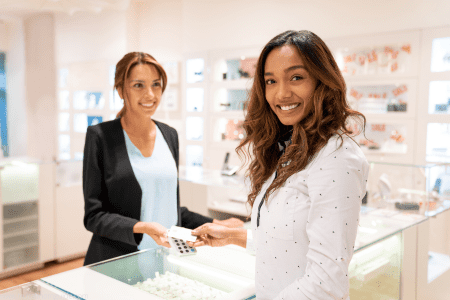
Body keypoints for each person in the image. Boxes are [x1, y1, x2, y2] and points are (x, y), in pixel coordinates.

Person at [189, 30, 369, 299]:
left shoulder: (337, 158)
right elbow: (291, 245)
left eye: (296, 77)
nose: (281, 93)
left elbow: (326, 282)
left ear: (322, 81)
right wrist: (234, 237)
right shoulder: (293, 149)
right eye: (270, 81)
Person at [83, 52, 243, 266]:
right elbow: (94, 216)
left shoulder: (169, 135)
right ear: (121, 90)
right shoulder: (100, 137)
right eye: (138, 85)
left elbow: (168, 206)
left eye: (156, 85)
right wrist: (142, 227)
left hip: (165, 258)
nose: (150, 94)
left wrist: (216, 223)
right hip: (118, 260)